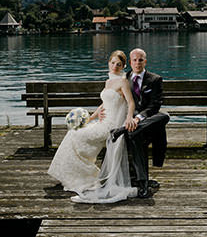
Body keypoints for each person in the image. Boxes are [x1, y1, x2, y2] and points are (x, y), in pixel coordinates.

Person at [47, 50, 138, 203]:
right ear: (109, 63)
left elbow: (130, 102)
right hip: (102, 121)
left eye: (119, 64)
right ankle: (78, 174)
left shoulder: (123, 82)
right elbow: (105, 103)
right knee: (74, 132)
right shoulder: (108, 82)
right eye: (113, 63)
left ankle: (84, 175)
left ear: (123, 66)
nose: (115, 66)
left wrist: (129, 118)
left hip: (111, 125)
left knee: (74, 135)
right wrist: (91, 117)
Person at [112, 47, 169, 198]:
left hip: (147, 123)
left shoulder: (155, 79)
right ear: (130, 62)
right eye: (135, 60)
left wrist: (137, 119)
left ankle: (123, 130)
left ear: (145, 61)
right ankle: (143, 184)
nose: (137, 63)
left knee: (164, 116)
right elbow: (113, 100)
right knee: (134, 135)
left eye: (140, 60)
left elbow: (155, 106)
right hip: (131, 124)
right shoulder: (124, 80)